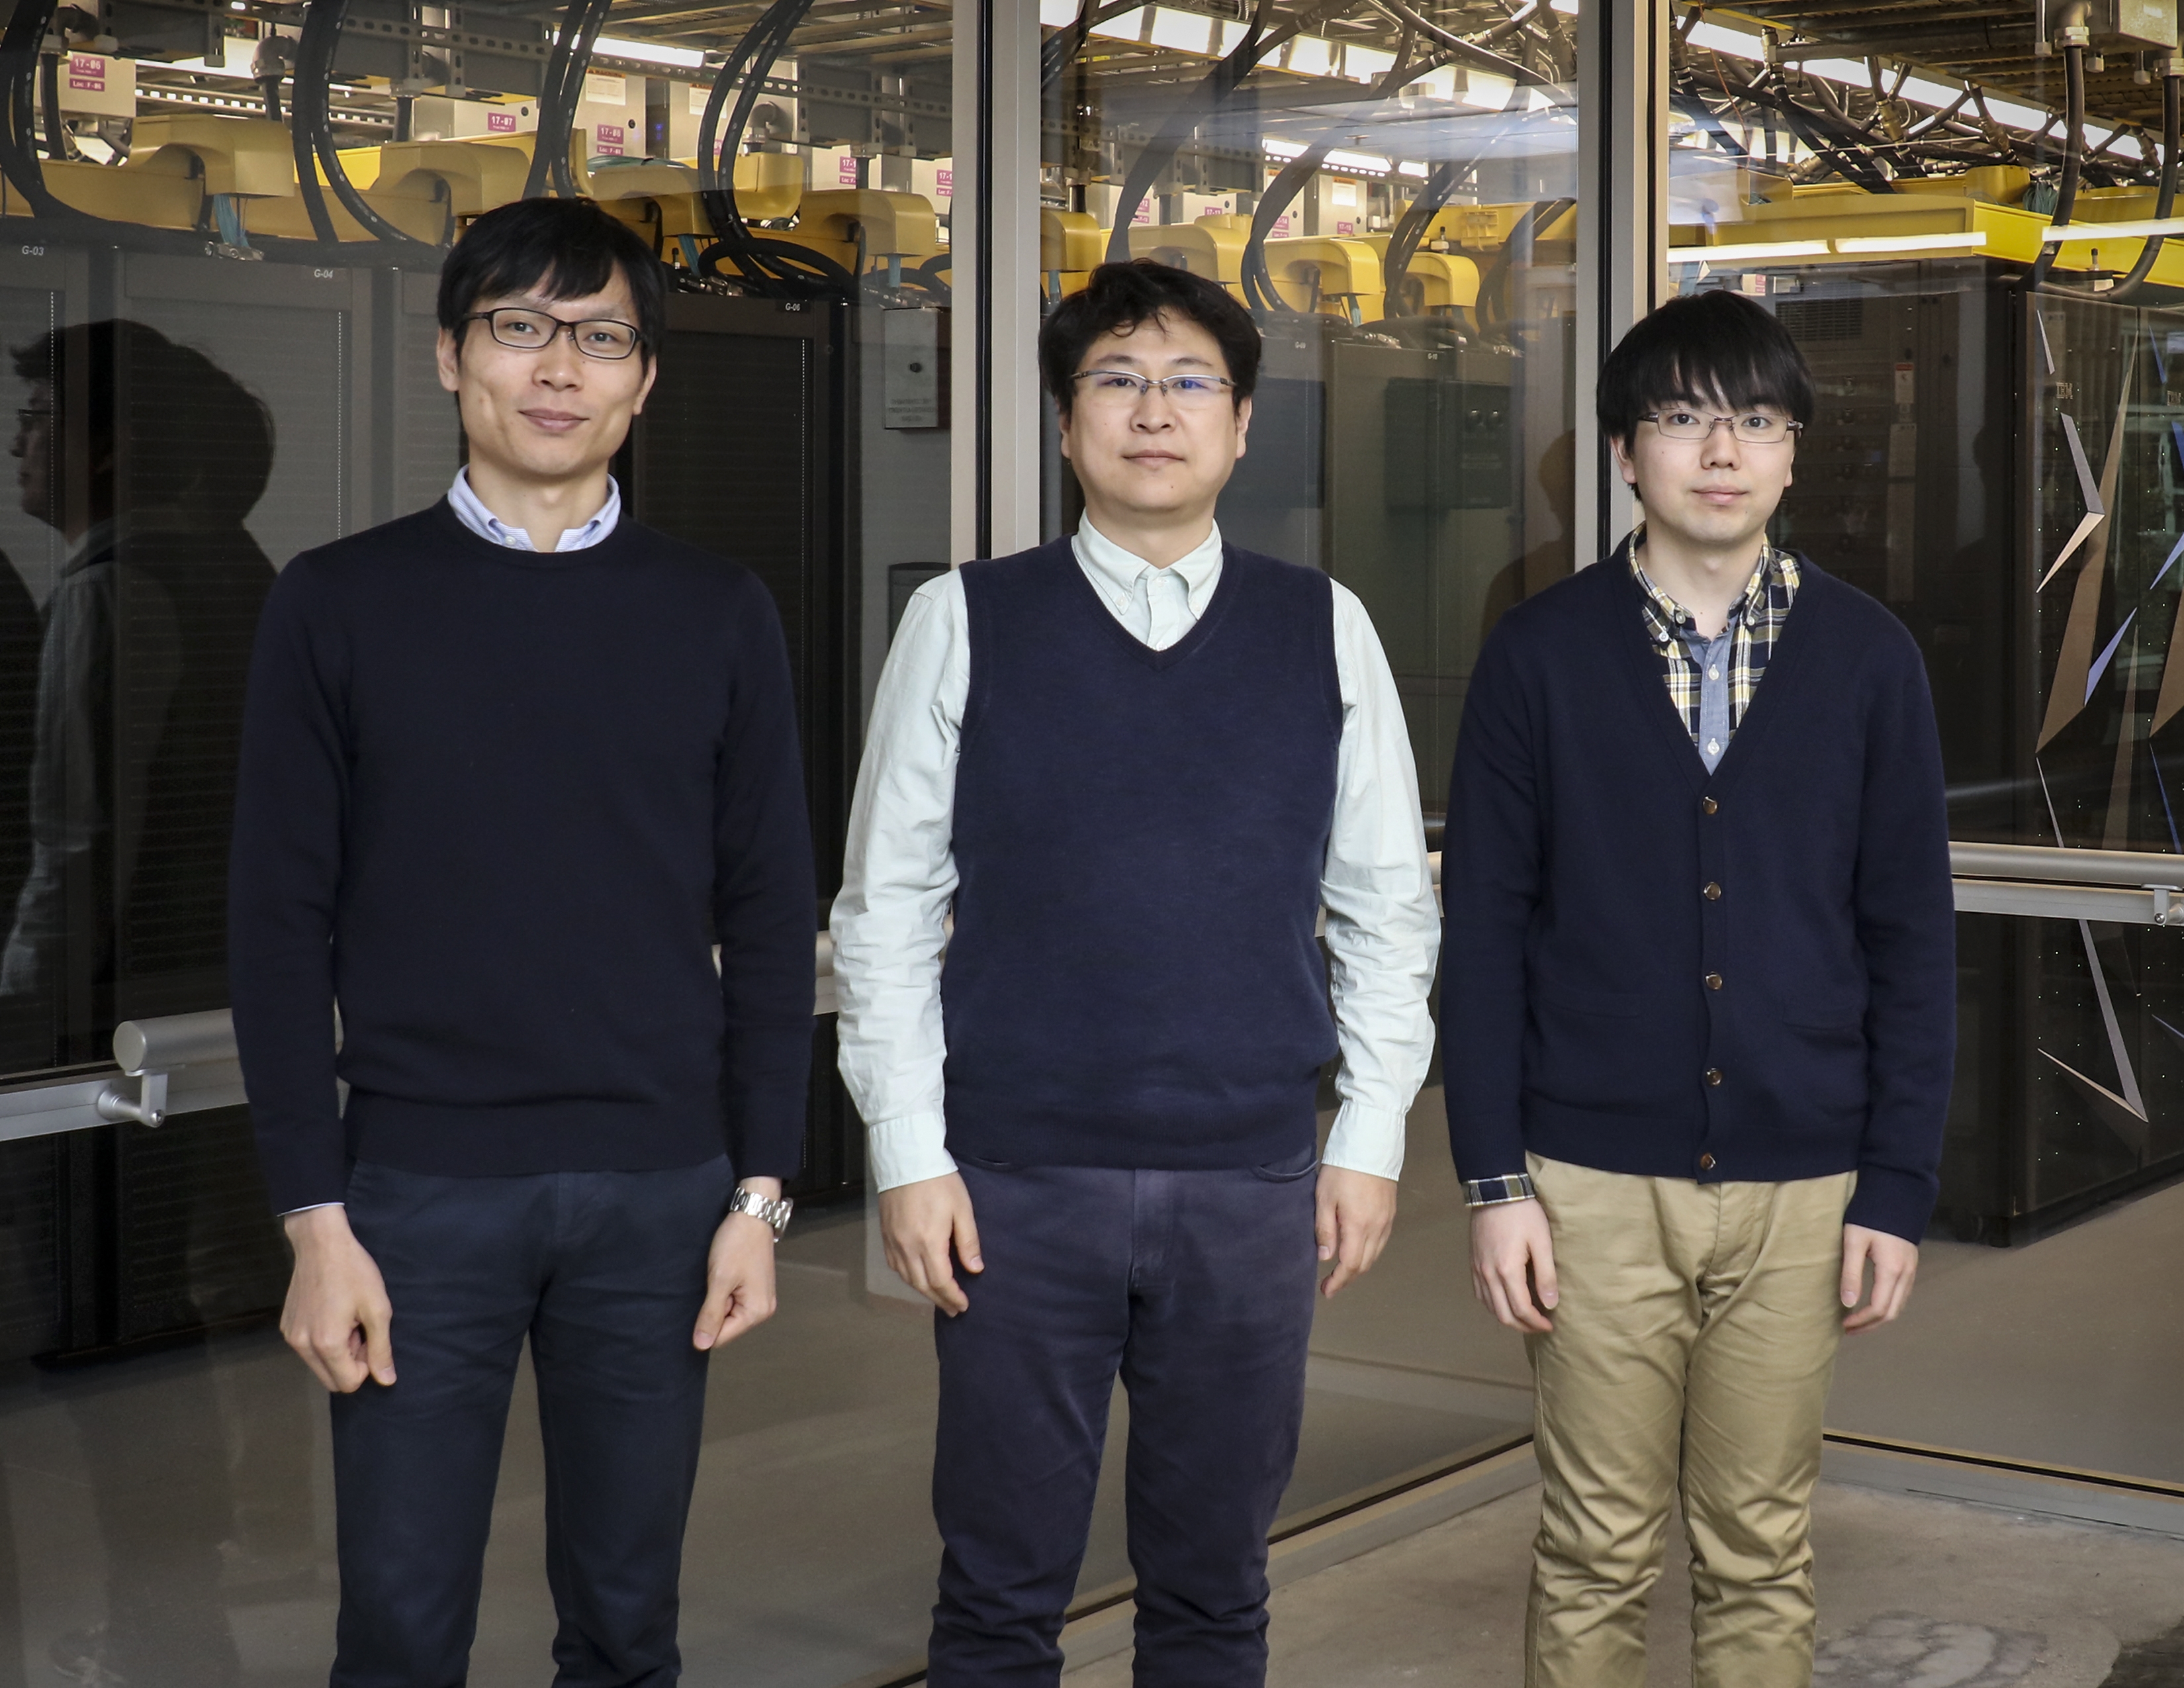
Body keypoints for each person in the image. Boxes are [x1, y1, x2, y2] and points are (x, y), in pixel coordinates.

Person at [228, 197, 817, 1685]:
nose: (560, 368)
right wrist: (315, 1217)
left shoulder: (717, 612)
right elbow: (277, 926)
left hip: (660, 1194)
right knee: (401, 1628)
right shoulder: (338, 605)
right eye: (521, 328)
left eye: (601, 337)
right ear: (450, 358)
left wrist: (760, 1189)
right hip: (416, 1198)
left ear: (644, 381)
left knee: (629, 1627)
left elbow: (765, 912)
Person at [831, 258, 1440, 1688]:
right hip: (1014, 1187)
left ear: (1238, 428)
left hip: (1249, 1185)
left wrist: (1366, 1138)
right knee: (996, 1594)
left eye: (1187, 385)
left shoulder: (1324, 627)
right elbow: (889, 907)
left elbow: (1386, 909)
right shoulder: (967, 621)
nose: (1150, 412)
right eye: (1114, 379)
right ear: (1064, 426)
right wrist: (908, 1155)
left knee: (1216, 1590)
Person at [1443, 287, 1955, 1688]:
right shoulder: (1539, 655)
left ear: (1792, 453)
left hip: (1804, 1187)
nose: (1719, 451)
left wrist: (1897, 1188)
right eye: (1680, 419)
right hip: (1589, 1180)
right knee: (1597, 1545)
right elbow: (1481, 933)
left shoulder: (1868, 661)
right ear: (1625, 452)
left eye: (1755, 421)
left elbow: (1912, 937)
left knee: (1760, 1546)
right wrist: (1495, 1184)